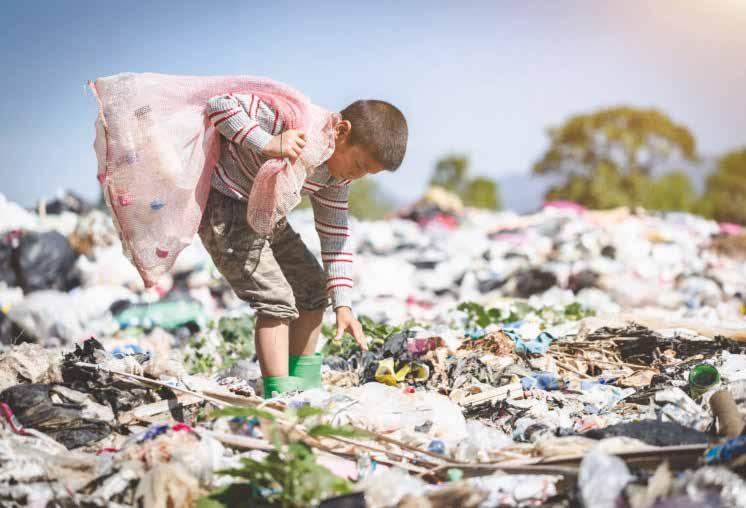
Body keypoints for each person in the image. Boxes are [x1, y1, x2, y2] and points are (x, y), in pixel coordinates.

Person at [201, 91, 408, 397]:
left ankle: (304, 387)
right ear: (342, 131)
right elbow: (219, 105)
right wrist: (267, 142)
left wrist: (343, 304)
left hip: (267, 215)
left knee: (312, 289)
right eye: (359, 165)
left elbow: (335, 233)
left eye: (367, 173)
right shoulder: (295, 122)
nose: (358, 176)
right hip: (227, 207)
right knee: (277, 300)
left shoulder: (336, 177)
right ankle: (279, 396)